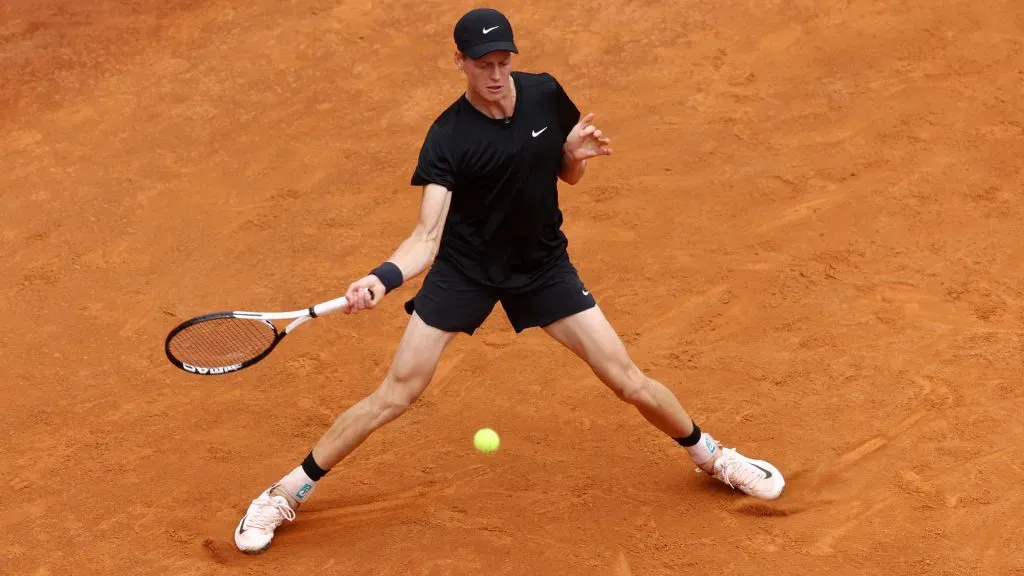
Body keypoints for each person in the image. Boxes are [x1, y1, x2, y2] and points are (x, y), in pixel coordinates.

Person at [233, 7, 785, 554]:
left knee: (626, 379)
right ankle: (284, 493)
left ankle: (712, 456)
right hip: (465, 270)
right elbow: (426, 237)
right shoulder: (447, 138)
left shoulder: (545, 94)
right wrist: (382, 278)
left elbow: (565, 170)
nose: (496, 75)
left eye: (503, 62)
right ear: (460, 62)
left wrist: (573, 157)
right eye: (482, 64)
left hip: (540, 265)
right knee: (395, 394)